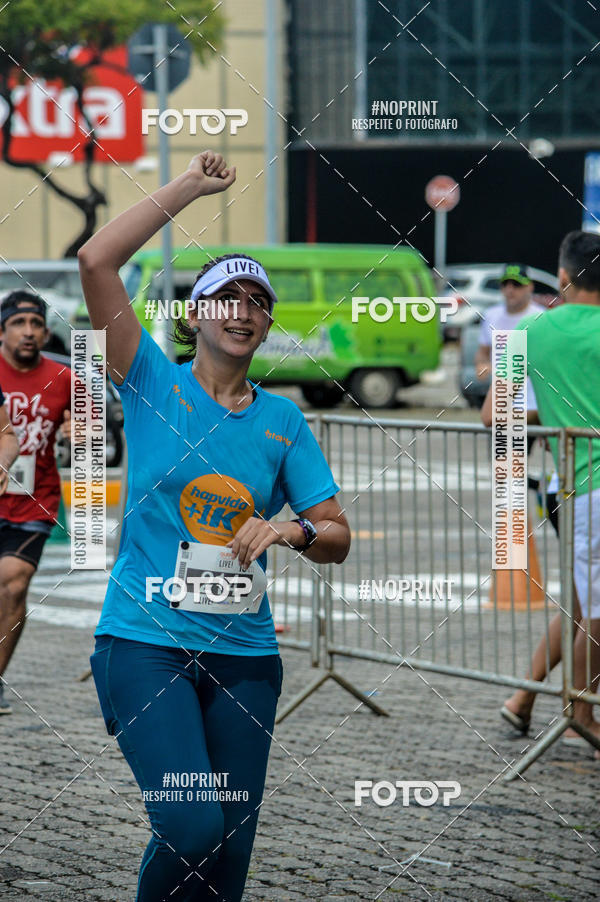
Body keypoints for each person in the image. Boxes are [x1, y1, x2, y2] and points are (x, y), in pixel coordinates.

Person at [79, 150, 351, 902]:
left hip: (245, 658)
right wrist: (191, 189)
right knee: (191, 825)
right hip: (144, 643)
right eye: (224, 296)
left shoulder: (282, 420)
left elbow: (336, 533)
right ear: (194, 314)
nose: (243, 309)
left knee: (228, 852)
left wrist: (290, 532)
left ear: (266, 325)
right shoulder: (146, 379)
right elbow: (96, 257)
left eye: (257, 301)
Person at [481, 232, 600, 746]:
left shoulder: (527, 331)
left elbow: (492, 415)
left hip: (569, 486)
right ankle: (581, 712)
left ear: (565, 277)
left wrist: (554, 418)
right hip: (594, 489)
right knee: (594, 610)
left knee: (581, 603)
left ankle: (522, 698)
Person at [0, 291, 72, 715]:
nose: (29, 332)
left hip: (33, 500)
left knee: (13, 583)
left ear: (46, 332)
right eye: (18, 323)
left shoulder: (65, 379)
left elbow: (92, 441)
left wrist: (77, 435)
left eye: (36, 324)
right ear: (3, 330)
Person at [474, 263, 546, 383]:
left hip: (532, 397)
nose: (509, 290)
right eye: (505, 284)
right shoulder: (490, 315)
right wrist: (482, 366)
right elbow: (483, 353)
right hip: (501, 394)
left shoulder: (542, 317)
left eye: (516, 284)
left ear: (530, 286)